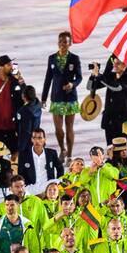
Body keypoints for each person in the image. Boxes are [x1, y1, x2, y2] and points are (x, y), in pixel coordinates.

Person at [41, 32, 82, 160]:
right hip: (56, 98)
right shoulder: (52, 58)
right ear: (58, 43)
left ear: (70, 43)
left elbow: (79, 77)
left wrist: (72, 84)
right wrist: (43, 98)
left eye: (66, 42)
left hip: (70, 98)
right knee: (58, 129)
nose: (63, 44)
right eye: (61, 41)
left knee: (69, 127)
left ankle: (69, 155)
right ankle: (62, 149)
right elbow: (48, 79)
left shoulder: (74, 58)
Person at [89, 58, 127, 144]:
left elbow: (116, 87)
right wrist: (93, 75)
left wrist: (99, 76)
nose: (115, 65)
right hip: (109, 121)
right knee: (111, 149)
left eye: (118, 63)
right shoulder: (111, 76)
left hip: (123, 122)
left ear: (125, 65)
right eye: (114, 63)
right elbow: (90, 87)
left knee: (124, 148)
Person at [21, 127, 64, 193]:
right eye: (34, 138)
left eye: (40, 138)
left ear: (44, 139)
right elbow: (20, 173)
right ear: (31, 139)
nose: (37, 141)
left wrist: (57, 182)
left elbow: (60, 168)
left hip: (47, 189)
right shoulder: (24, 155)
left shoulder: (51, 153)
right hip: (30, 189)